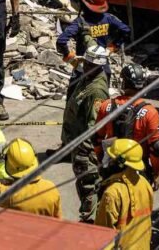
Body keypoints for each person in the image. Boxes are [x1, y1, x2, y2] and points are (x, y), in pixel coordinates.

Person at [61, 44, 111, 223]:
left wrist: (85, 152)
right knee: (83, 185)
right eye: (86, 63)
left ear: (99, 66)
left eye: (90, 64)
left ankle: (90, 221)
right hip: (76, 143)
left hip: (85, 149)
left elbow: (94, 127)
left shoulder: (97, 91)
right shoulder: (88, 77)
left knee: (88, 186)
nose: (86, 66)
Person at [57, 0, 130, 99]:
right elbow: (126, 30)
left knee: (73, 103)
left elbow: (61, 41)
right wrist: (113, 47)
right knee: (100, 104)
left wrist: (69, 57)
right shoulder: (109, 18)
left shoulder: (80, 22)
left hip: (83, 70)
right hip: (103, 68)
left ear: (83, 3)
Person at [95, 64, 159, 189]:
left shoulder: (106, 106)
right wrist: (156, 174)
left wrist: (100, 160)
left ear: (124, 82)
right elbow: (157, 148)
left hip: (112, 164)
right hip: (138, 166)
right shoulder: (150, 112)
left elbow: (97, 138)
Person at [0, 138, 62, 217]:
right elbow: (57, 218)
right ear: (34, 160)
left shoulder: (8, 194)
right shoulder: (51, 189)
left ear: (8, 164)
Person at [95, 139, 155, 250]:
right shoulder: (144, 183)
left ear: (119, 164)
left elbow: (102, 235)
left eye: (111, 159)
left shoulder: (112, 193)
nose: (107, 163)